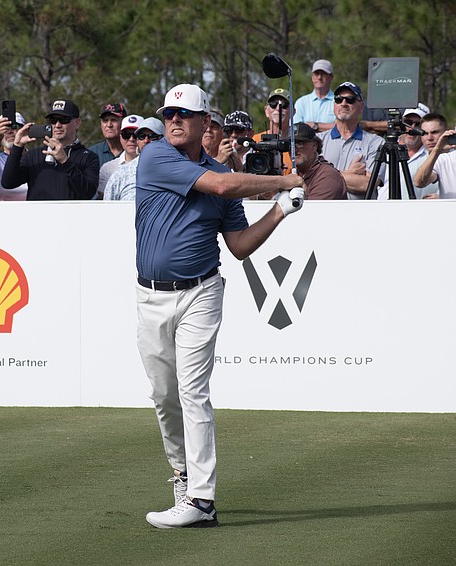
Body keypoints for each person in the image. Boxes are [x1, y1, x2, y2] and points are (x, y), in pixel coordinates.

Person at [136, 83, 305, 529]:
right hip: (150, 295)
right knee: (163, 396)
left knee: (193, 392)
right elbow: (223, 183)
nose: (173, 120)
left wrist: (281, 211)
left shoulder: (218, 176)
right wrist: (283, 181)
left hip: (202, 291)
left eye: (183, 115)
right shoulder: (156, 157)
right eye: (169, 113)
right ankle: (182, 475)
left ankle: (201, 501)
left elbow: (240, 246)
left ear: (203, 123)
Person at [2, 99, 99, 200]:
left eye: (64, 119)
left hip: (70, 215)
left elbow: (88, 193)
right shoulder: (33, 155)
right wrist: (17, 146)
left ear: (77, 123)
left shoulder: (89, 157)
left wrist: (65, 162)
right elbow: (8, 183)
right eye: (53, 120)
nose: (57, 125)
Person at [317, 81, 385, 199]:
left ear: (361, 107)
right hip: (325, 212)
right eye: (339, 99)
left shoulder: (376, 143)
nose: (343, 103)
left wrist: (327, 176)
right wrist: (349, 174)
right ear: (334, 105)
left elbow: (368, 184)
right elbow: (311, 181)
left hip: (360, 214)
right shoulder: (317, 141)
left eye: (350, 99)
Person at [379, 105, 437, 199]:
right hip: (380, 209)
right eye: (408, 122)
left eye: (417, 124)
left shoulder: (432, 155)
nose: (411, 127)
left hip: (411, 210)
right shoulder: (385, 149)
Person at [104, 117, 163, 202]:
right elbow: (107, 209)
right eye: (141, 136)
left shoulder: (177, 169)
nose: (146, 140)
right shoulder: (120, 174)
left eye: (153, 136)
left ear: (165, 139)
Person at [290, 123, 347, 200]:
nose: (294, 150)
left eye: (300, 144)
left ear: (314, 146)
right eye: (290, 145)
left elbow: (312, 210)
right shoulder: (293, 174)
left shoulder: (327, 176)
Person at [0, 112, 28, 201]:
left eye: (14, 127)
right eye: (5, 128)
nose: (9, 131)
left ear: (25, 130)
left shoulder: (33, 158)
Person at [97, 114, 142, 198]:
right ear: (120, 137)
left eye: (136, 135)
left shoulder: (157, 165)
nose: (131, 139)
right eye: (126, 135)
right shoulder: (107, 169)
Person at [414, 114, 456, 199]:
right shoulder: (443, 159)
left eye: (434, 132)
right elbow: (419, 182)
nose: (430, 138)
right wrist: (437, 150)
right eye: (425, 133)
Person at [255, 88, 293, 175]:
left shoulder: (298, 141)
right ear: (266, 111)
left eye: (284, 105)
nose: (278, 108)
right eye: (273, 104)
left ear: (293, 111)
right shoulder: (255, 140)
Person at [293, 59, 336, 132]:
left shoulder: (339, 101)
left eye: (323, 74)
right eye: (316, 74)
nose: (319, 77)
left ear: (331, 77)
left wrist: (315, 126)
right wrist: (329, 126)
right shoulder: (301, 102)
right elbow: (296, 128)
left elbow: (342, 127)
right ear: (312, 77)